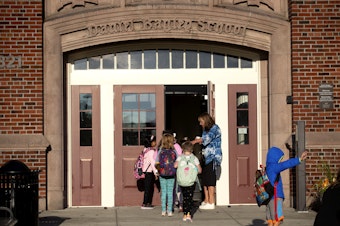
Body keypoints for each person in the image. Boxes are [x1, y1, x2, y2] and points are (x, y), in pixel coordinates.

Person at [265, 146, 308, 226]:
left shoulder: (267, 168)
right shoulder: (274, 167)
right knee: (277, 219)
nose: (280, 161)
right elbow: (286, 164)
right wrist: (299, 159)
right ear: (275, 158)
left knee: (270, 219)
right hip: (276, 197)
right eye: (280, 159)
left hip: (269, 197)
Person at [191, 112, 222, 210]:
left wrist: (194, 141)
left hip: (213, 157)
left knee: (210, 180)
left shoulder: (215, 128)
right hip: (205, 156)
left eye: (201, 121)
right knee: (204, 179)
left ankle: (211, 201)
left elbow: (207, 139)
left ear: (206, 120)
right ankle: (206, 199)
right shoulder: (205, 130)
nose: (200, 124)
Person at [174, 141, 202, 222]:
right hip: (191, 181)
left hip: (182, 181)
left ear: (182, 149)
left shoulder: (180, 157)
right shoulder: (194, 158)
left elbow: (175, 165)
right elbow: (200, 170)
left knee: (184, 197)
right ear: (192, 150)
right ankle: (188, 214)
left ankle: (185, 214)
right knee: (189, 198)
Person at [155, 133, 178, 217]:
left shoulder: (160, 151)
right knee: (170, 192)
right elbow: (177, 162)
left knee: (163, 192)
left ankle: (163, 210)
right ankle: (170, 211)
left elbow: (156, 162)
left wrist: (158, 171)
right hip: (172, 174)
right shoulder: (174, 151)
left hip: (162, 174)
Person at [141, 135, 158, 209]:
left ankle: (147, 202)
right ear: (151, 142)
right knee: (149, 188)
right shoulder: (151, 151)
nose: (155, 142)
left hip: (145, 171)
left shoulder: (145, 150)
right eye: (154, 141)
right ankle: (146, 203)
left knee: (148, 187)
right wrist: (156, 173)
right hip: (149, 172)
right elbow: (153, 163)